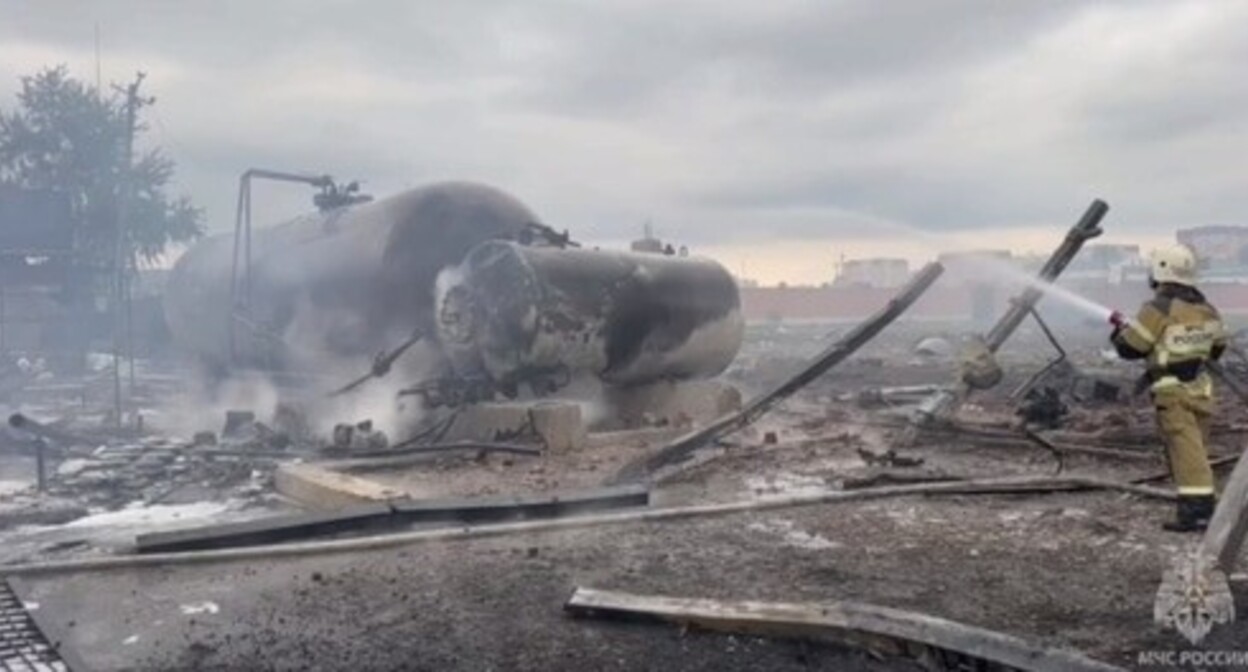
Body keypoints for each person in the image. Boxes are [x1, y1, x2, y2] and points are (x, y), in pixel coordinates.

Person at [1110, 244, 1227, 532]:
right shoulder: (1206, 309)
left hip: (1172, 393)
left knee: (1187, 453)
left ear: (1160, 270)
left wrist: (1119, 333)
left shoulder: (1157, 308)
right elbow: (1217, 348)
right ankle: (1203, 506)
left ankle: (1197, 513)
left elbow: (1131, 347)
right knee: (1196, 448)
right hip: (1201, 389)